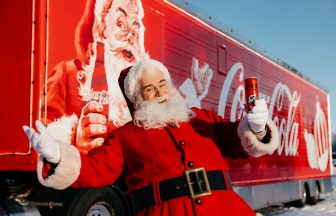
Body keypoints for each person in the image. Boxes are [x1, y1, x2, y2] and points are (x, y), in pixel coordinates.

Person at [24, 59, 279, 215]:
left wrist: (255, 128)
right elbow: (97, 169)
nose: (159, 92)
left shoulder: (202, 119)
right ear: (137, 98)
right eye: (149, 88)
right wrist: (58, 156)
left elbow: (238, 142)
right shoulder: (126, 136)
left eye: (162, 83)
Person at [45, 0, 148, 153]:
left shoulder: (144, 85)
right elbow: (43, 138)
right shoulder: (66, 73)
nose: (130, 37)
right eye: (121, 24)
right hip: (89, 171)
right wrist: (74, 143)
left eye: (135, 26)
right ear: (105, 29)